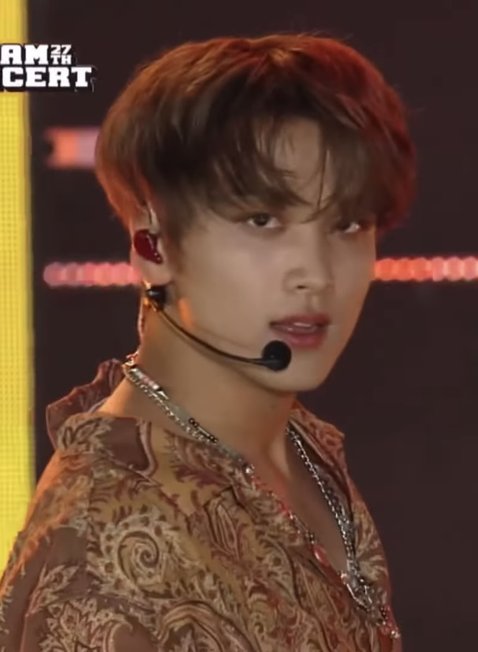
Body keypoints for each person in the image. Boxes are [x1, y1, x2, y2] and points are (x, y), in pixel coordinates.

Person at [0, 32, 415, 651]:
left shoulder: (300, 449)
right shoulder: (102, 553)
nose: (316, 273)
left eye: (348, 225)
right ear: (151, 242)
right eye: (263, 221)